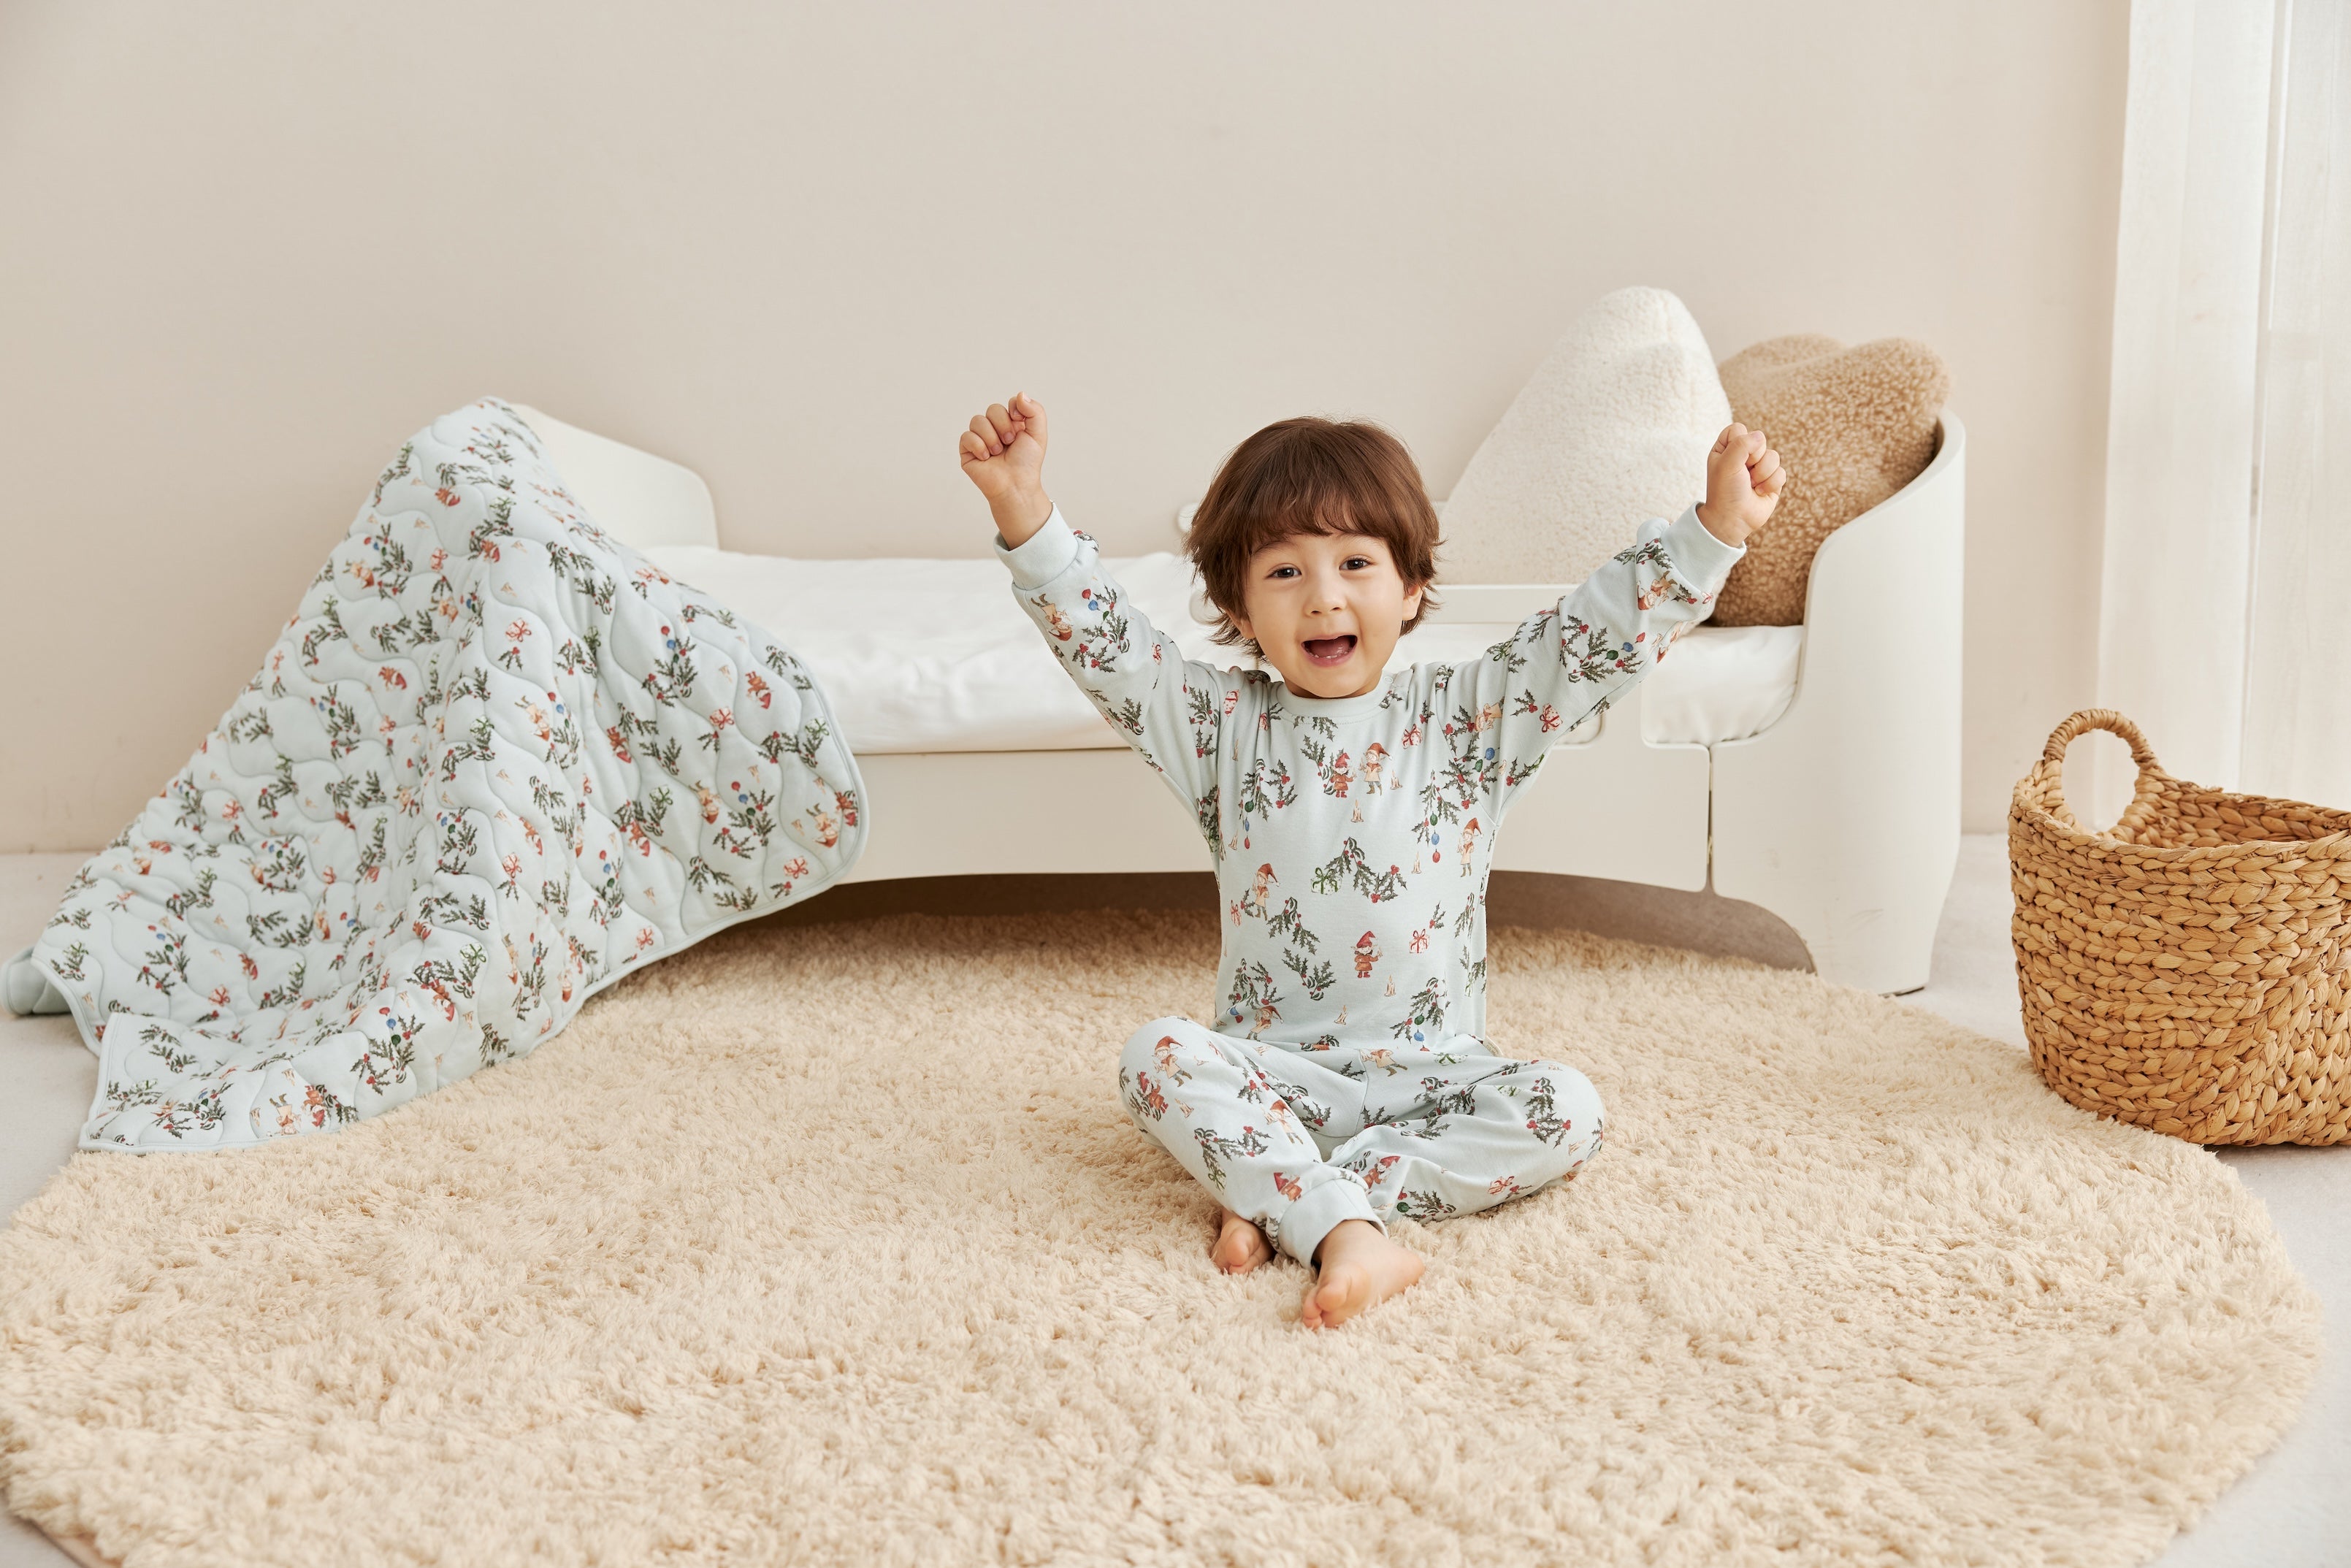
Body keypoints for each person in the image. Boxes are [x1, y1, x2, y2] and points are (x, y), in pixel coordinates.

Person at [957, 391, 1784, 1328]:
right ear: (1236, 604)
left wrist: (1713, 530)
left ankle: (1293, 1200)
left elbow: (1588, 643)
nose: (1325, 595)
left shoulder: (1470, 720)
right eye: (1285, 570)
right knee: (1155, 1055)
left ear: (1411, 588)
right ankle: (1330, 1214)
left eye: (1356, 563)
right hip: (1274, 1073)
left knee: (1570, 1107)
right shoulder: (1219, 727)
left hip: (1437, 1075)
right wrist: (1024, 510)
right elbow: (1109, 647)